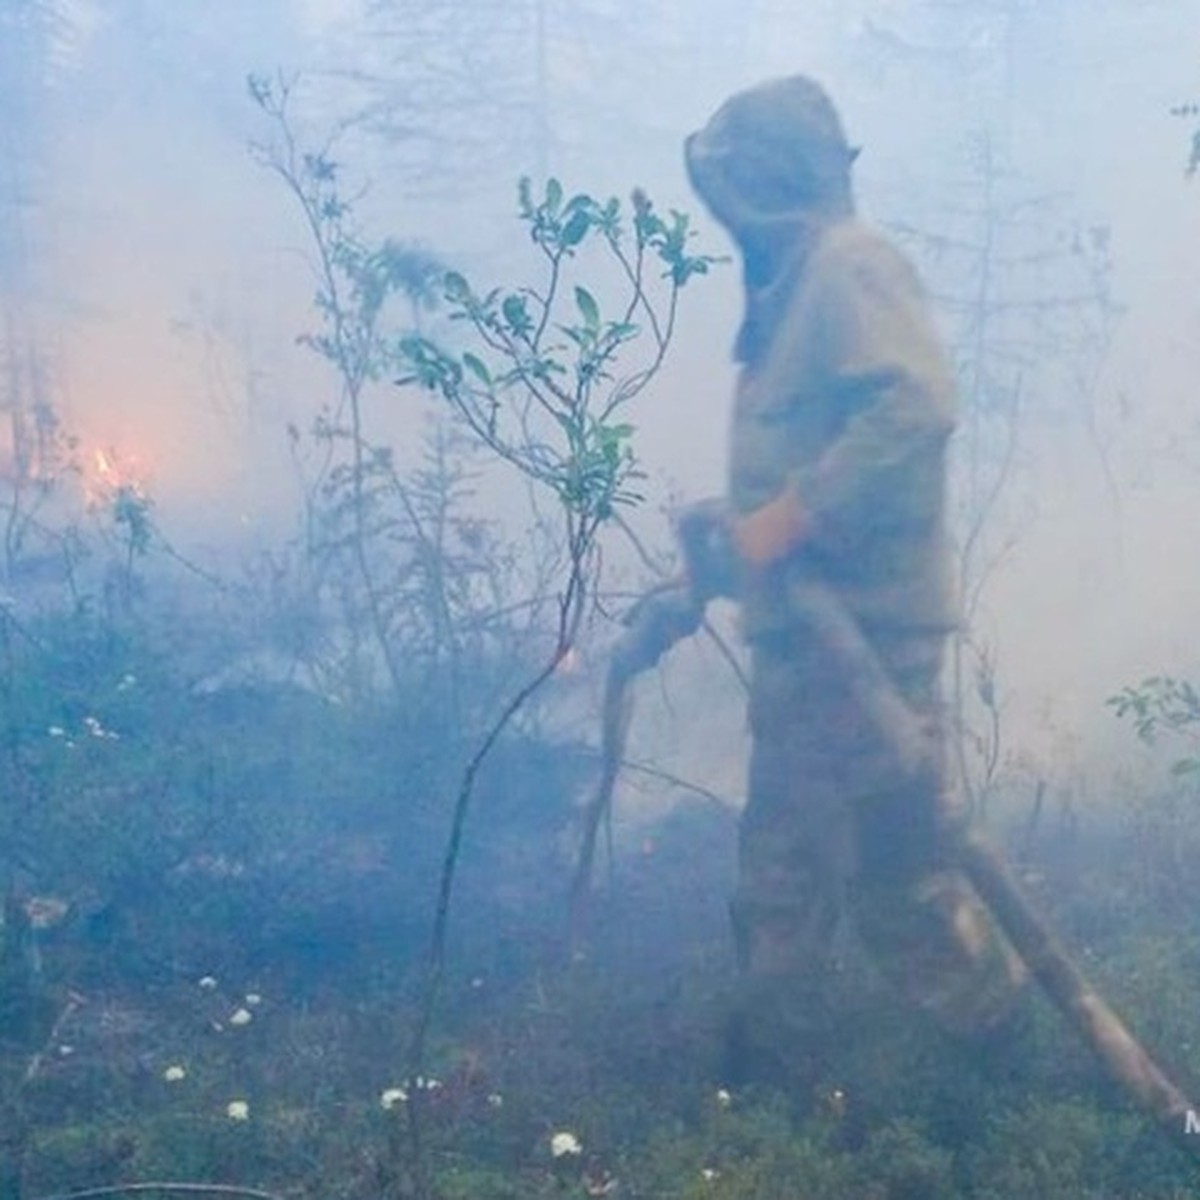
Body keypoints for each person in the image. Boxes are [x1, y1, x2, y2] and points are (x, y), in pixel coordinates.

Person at [683, 75, 1026, 1086]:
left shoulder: (850, 266)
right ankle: (771, 1085)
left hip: (867, 644)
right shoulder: (800, 284)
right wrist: (739, 526)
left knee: (897, 872)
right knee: (784, 869)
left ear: (766, 180)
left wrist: (793, 516)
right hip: (811, 639)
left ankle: (999, 1068)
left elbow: (913, 408)